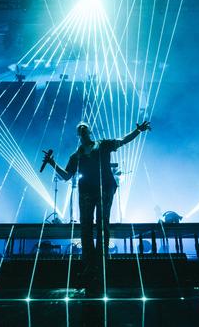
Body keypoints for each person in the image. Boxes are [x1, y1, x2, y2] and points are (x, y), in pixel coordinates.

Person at [43, 120, 151, 288]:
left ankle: (101, 269)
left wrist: (138, 131)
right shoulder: (76, 155)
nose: (82, 129)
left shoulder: (103, 144)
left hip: (105, 189)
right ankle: (90, 268)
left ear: (89, 131)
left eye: (84, 127)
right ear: (78, 134)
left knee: (102, 227)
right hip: (86, 193)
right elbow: (66, 176)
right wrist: (51, 163)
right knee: (85, 230)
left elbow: (122, 140)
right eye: (80, 128)